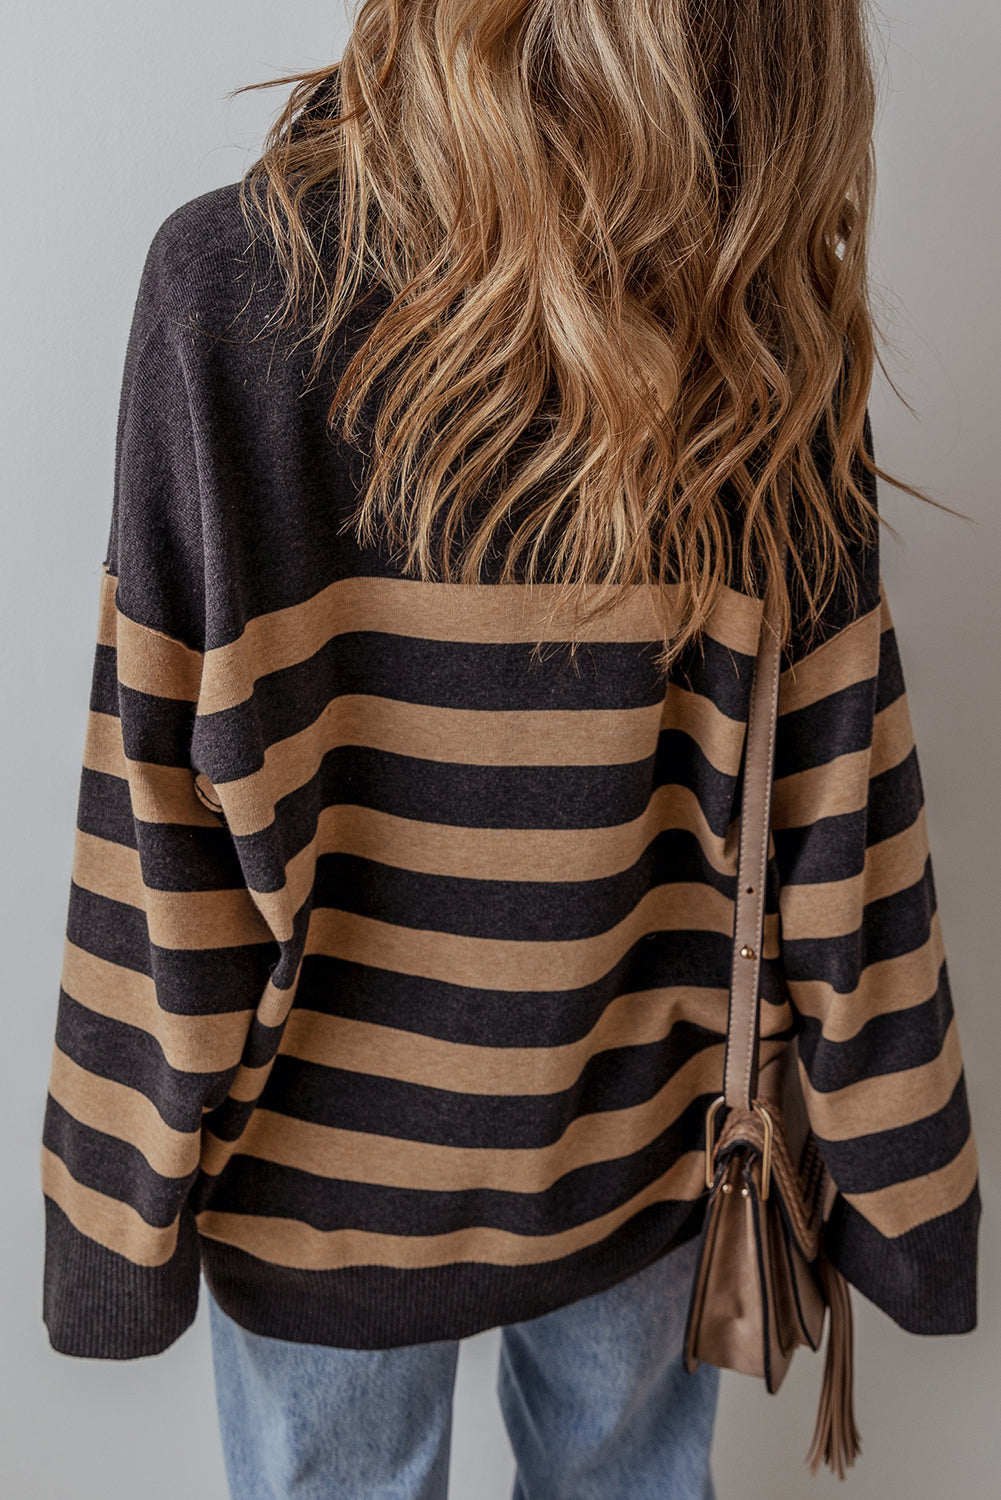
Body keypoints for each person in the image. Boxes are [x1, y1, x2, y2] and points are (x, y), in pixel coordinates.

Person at [39, 2, 981, 1497]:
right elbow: (841, 826)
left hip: (322, 1192)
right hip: (637, 1151)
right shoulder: (760, 340)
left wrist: (112, 1235)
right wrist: (912, 1204)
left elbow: (162, 832)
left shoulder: (232, 287)